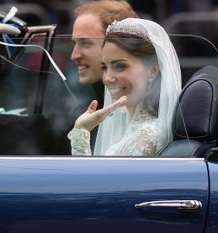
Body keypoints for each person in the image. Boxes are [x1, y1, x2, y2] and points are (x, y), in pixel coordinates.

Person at [0, 0, 138, 155]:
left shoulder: (133, 110)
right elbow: (46, 129)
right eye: (73, 43)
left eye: (86, 43)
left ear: (117, 47)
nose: (74, 55)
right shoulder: (100, 101)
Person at [68, 18, 182, 156]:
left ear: (152, 70)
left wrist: (81, 133)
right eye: (104, 67)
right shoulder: (133, 126)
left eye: (120, 66)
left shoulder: (147, 137)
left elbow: (94, 178)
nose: (107, 78)